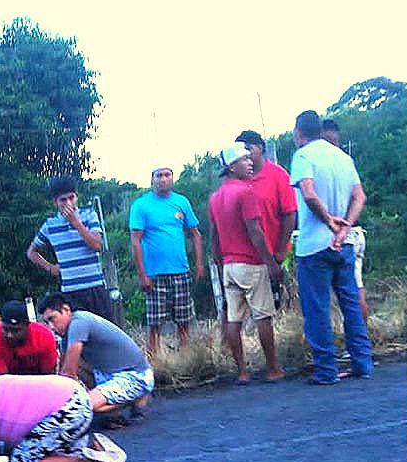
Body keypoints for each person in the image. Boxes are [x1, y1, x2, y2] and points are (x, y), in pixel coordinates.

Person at [290, 110, 373, 384]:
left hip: (315, 244)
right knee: (350, 305)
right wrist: (346, 225)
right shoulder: (342, 157)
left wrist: (329, 221)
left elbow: (308, 192)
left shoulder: (303, 156)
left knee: (317, 309)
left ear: (299, 132)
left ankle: (327, 371)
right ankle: (363, 363)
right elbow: (359, 195)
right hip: (344, 243)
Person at [208, 143, 285, 385]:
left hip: (229, 264)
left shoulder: (215, 197)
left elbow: (213, 235)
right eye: (244, 160)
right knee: (263, 315)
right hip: (250, 262)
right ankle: (273, 368)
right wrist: (270, 262)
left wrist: (220, 261)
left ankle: (242, 372)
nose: (250, 162)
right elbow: (255, 231)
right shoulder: (246, 192)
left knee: (234, 319)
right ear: (232, 166)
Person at [37, 293, 153, 425]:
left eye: (53, 319)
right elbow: (62, 372)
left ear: (66, 310)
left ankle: (137, 396)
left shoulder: (79, 322)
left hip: (135, 375)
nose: (51, 327)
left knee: (84, 406)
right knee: (76, 373)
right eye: (47, 322)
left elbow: (68, 374)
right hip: (107, 373)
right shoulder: (66, 333)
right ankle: (115, 405)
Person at [129, 164, 205, 354]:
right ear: (152, 179)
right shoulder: (141, 205)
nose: (163, 179)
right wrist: (142, 275)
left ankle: (186, 359)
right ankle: (155, 361)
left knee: (184, 319)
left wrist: (199, 264)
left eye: (167, 175)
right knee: (155, 323)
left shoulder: (181, 202)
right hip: (154, 274)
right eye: (159, 175)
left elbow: (195, 234)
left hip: (181, 271)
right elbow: (135, 241)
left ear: (172, 178)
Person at [27, 176, 113, 321]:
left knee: (105, 334)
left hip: (94, 287)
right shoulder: (50, 225)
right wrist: (50, 267)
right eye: (63, 200)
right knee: (77, 334)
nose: (68, 203)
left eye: (71, 198)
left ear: (76, 197)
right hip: (70, 291)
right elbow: (31, 252)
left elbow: (97, 245)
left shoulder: (89, 216)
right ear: (55, 202)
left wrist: (75, 222)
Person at [321, 120, 370, 325]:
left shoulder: (328, 164)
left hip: (344, 233)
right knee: (354, 288)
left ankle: (361, 340)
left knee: (351, 292)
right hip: (353, 231)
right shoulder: (345, 161)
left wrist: (344, 226)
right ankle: (361, 340)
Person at [234, 131, 297, 268]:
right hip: (245, 259)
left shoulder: (279, 176)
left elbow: (290, 214)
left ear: (261, 148)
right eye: (241, 152)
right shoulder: (237, 181)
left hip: (274, 256)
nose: (245, 155)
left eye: (248, 149)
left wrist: (280, 252)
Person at [0, 300, 58, 377]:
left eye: (15, 330)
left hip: (35, 375)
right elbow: (2, 381)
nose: (10, 335)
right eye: (6, 329)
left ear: (27, 326)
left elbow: (48, 376)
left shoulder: (44, 337)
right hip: (6, 377)